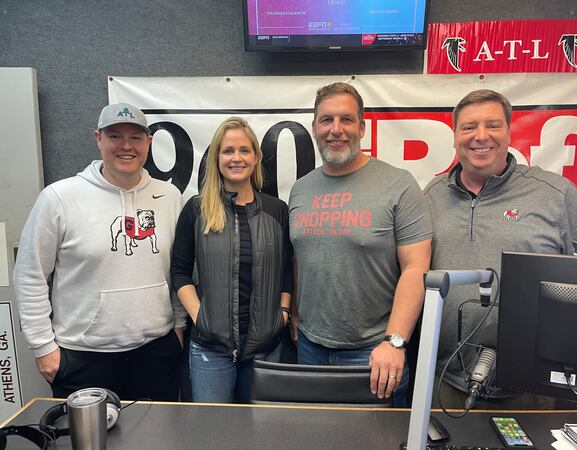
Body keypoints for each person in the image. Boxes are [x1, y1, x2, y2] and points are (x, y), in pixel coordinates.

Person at [423, 89, 577, 408]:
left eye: (492, 125)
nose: (481, 136)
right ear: (454, 136)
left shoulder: (554, 194)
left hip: (531, 388)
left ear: (509, 131)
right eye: (468, 127)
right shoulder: (432, 195)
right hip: (444, 379)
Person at [13, 103, 186, 401]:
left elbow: (179, 268)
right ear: (98, 139)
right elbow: (30, 275)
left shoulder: (170, 196)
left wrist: (179, 327)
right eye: (115, 136)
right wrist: (43, 347)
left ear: (149, 142)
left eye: (135, 137)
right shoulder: (59, 198)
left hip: (156, 354)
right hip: (83, 359)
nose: (126, 146)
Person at [288, 82, 432, 406]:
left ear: (362, 127)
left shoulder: (399, 185)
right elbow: (301, 258)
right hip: (310, 349)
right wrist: (297, 313)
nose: (335, 130)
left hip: (375, 354)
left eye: (346, 120)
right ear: (314, 127)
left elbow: (416, 268)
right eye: (326, 120)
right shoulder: (300, 189)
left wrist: (395, 342)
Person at [170, 117, 293, 403]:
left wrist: (283, 315)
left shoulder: (277, 211)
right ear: (216, 158)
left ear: (256, 157)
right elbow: (179, 271)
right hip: (210, 350)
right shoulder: (196, 209)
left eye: (244, 150)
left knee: (264, 433)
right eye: (228, 151)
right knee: (213, 435)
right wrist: (201, 317)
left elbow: (286, 269)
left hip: (266, 349)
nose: (236, 158)